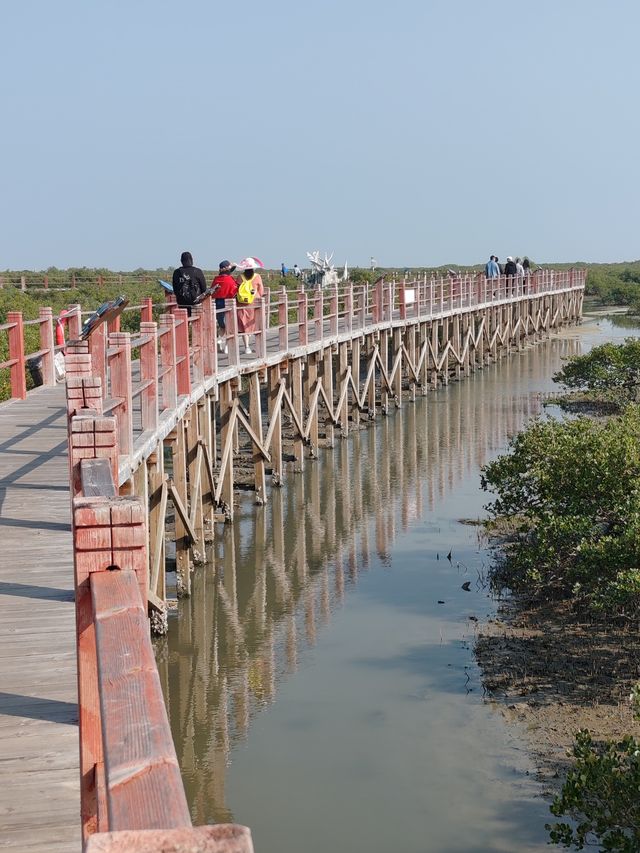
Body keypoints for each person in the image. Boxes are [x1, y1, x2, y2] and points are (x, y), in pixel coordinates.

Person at [236, 258, 264, 354]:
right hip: (253, 303)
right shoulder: (257, 277)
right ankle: (256, 345)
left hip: (242, 303)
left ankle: (247, 347)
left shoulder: (240, 277)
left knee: (243, 325)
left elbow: (237, 290)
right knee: (253, 324)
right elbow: (261, 291)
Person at [211, 260, 238, 354]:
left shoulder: (216, 279)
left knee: (222, 325)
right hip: (228, 303)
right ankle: (226, 347)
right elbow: (234, 291)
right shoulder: (230, 279)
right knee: (229, 326)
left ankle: (219, 340)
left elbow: (212, 291)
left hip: (218, 303)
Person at [172, 251, 206, 316]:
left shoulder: (176, 272)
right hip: (196, 303)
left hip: (182, 303)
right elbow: (204, 288)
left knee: (183, 323)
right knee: (197, 323)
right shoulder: (198, 271)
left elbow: (175, 289)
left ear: (181, 261)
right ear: (191, 260)